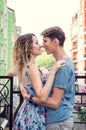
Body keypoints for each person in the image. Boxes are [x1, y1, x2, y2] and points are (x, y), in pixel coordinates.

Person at [21, 26, 75, 130]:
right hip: (58, 120)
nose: (42, 45)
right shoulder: (60, 63)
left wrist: (30, 98)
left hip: (58, 121)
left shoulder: (62, 67)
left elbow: (54, 103)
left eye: (45, 41)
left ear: (55, 42)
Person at [8, 33, 65, 130]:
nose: (40, 45)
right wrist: (53, 71)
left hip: (25, 112)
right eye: (37, 43)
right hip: (33, 116)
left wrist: (41, 74)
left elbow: (9, 73)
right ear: (28, 48)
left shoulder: (23, 66)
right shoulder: (32, 67)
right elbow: (42, 96)